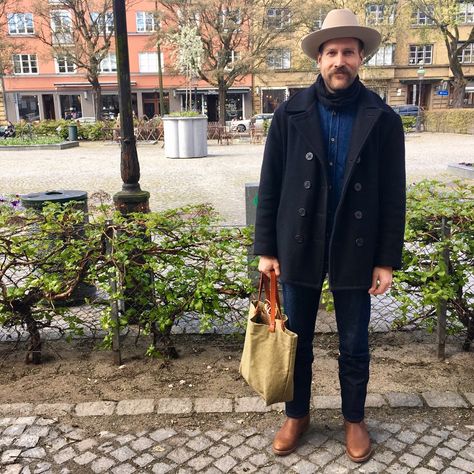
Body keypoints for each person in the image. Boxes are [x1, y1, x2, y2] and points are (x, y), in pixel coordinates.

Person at [254, 8, 406, 463]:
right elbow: (271, 185)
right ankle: (296, 414)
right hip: (298, 241)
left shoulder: (383, 119)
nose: (340, 60)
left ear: (361, 59)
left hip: (355, 248)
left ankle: (354, 419)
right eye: (332, 52)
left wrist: (386, 259)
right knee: (294, 339)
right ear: (319, 59)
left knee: (355, 342)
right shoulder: (288, 114)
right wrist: (266, 249)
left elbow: (394, 196)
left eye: (349, 52)